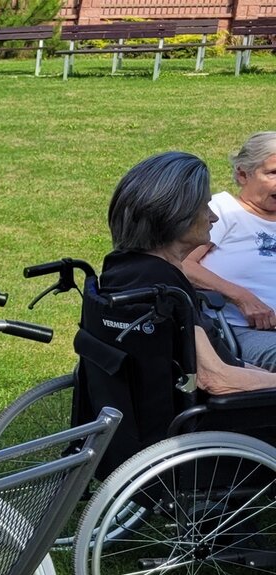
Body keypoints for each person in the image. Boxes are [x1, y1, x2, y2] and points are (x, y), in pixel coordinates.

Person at [86, 151, 276, 472]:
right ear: (176, 215)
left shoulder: (124, 268)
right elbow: (216, 379)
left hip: (135, 430)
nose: (213, 217)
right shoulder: (165, 287)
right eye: (204, 207)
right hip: (205, 437)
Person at [181, 132, 276, 369]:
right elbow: (182, 264)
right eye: (273, 173)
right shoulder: (222, 211)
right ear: (243, 174)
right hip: (240, 330)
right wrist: (242, 297)